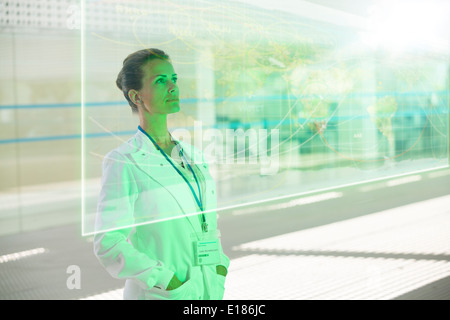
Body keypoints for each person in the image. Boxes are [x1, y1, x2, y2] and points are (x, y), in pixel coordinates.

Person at [93, 48, 229, 300]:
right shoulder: (124, 161)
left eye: (174, 79)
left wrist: (219, 269)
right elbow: (108, 243)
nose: (173, 87)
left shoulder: (195, 157)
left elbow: (207, 224)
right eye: (160, 80)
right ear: (136, 96)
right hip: (163, 293)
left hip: (208, 288)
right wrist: (168, 282)